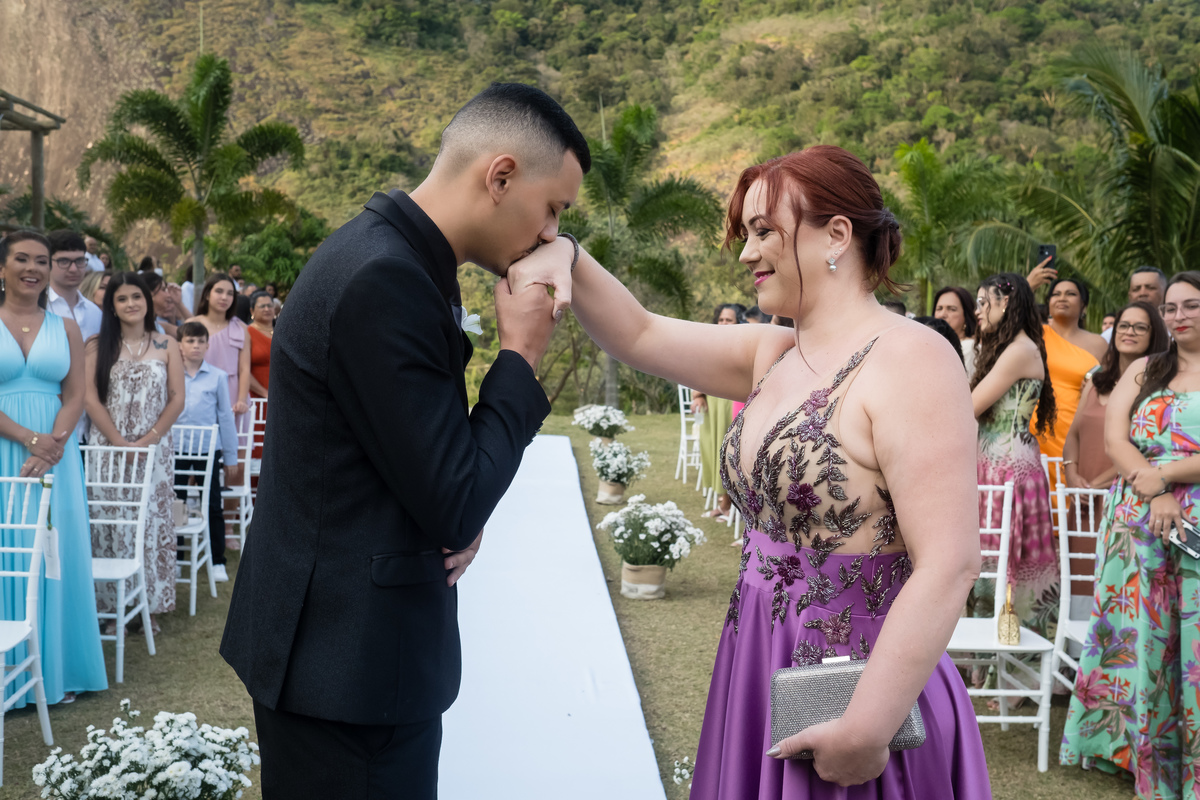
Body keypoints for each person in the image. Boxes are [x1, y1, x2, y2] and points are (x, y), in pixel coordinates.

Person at [511, 144, 989, 796]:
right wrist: (565, 251)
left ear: (838, 235)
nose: (745, 253)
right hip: (758, 660)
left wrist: (868, 726)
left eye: (764, 231)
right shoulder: (773, 352)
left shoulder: (913, 360)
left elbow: (951, 562)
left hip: (861, 687)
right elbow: (641, 335)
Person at [220, 82, 585, 799]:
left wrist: (566, 248)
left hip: (339, 649)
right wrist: (520, 357)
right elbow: (455, 499)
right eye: (554, 211)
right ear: (501, 176)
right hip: (349, 671)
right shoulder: (388, 278)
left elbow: (418, 457)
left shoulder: (388, 250)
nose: (549, 234)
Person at [1060, 271, 1200, 798]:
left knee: (1194, 646)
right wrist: (1154, 489)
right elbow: (1116, 438)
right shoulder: (1144, 369)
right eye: (1172, 307)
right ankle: (1140, 759)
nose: (1179, 315)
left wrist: (1166, 476)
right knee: (1139, 640)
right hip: (1137, 522)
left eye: (1191, 306)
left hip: (1193, 521)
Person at [0, 231, 107, 706]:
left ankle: (58, 671)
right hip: (11, 448)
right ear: (2, 266)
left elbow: (76, 395)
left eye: (40, 261)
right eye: (21, 259)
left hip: (56, 458)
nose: (33, 268)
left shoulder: (64, 326)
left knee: (53, 552)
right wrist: (30, 440)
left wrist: (50, 447)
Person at [85, 272, 183, 632]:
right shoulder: (96, 346)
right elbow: (89, 398)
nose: (131, 304)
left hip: (153, 451)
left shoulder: (165, 344)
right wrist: (118, 442)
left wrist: (146, 441)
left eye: (137, 297)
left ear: (148, 301)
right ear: (111, 305)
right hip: (106, 451)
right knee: (109, 523)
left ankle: (149, 608)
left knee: (150, 525)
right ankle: (111, 610)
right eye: (122, 299)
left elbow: (177, 399)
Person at [969, 273, 1059, 652]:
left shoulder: (1020, 349)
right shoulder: (1007, 347)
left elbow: (970, 405)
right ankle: (982, 655)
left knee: (1006, 561)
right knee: (990, 556)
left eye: (982, 302)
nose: (976, 311)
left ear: (1005, 303)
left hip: (1008, 466)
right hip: (994, 459)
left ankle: (1008, 659)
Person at [174, 322, 240, 584]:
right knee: (175, 503)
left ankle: (216, 560)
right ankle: (177, 558)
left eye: (201, 341)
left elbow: (225, 416)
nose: (196, 346)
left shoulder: (217, 376)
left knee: (212, 505)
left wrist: (231, 456)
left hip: (207, 451)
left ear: (207, 345)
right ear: (180, 344)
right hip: (176, 449)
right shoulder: (172, 374)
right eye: (190, 341)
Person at [1032, 277, 1106, 477]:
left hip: (1075, 430)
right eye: (1056, 294)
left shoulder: (1098, 344)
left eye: (1070, 294)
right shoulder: (1035, 333)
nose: (1062, 298)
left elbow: (1110, 386)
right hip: (1034, 430)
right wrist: (1030, 284)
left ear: (1084, 306)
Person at [692, 303, 741, 522]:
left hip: (730, 402)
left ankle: (727, 503)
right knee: (710, 449)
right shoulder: (709, 342)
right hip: (711, 403)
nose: (723, 323)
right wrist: (698, 395)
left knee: (725, 450)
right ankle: (721, 503)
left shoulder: (742, 343)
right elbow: (698, 369)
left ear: (737, 322)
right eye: (721, 319)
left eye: (728, 320)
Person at [187, 273, 250, 425]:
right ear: (208, 294)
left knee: (236, 445)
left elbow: (244, 368)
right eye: (219, 291)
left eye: (230, 293)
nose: (224, 297)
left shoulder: (241, 327)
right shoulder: (191, 324)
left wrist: (241, 399)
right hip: (199, 392)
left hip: (233, 394)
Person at [1100, 266, 1168, 343]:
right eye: (1136, 289)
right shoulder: (1109, 337)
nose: (1142, 293)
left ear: (1166, 293)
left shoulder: (1177, 333)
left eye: (1150, 288)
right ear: (1130, 295)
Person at [933, 285, 978, 376]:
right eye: (939, 309)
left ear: (966, 315)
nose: (942, 314)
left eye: (952, 309)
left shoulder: (970, 347)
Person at [247, 291, 273, 402]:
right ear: (252, 310)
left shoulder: (282, 333)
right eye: (262, 306)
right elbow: (242, 370)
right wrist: (265, 393)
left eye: (270, 306)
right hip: (258, 398)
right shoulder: (247, 332)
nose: (267, 309)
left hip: (281, 398)